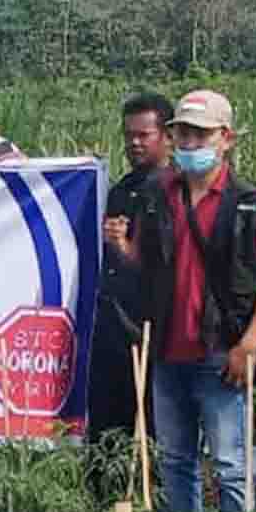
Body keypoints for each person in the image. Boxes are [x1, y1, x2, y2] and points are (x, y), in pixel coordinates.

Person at [104, 89, 256, 512]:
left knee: (228, 464)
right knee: (175, 460)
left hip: (221, 353)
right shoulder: (158, 195)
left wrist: (248, 345)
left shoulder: (250, 203)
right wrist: (120, 246)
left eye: (200, 135)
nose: (190, 144)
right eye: (183, 134)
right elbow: (144, 263)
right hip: (168, 352)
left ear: (226, 139)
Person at [88, 92, 174, 438]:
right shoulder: (121, 190)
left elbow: (167, 265)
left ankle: (148, 489)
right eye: (129, 136)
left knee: (153, 427)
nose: (134, 143)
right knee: (108, 424)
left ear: (166, 136)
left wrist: (125, 246)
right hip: (113, 328)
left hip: (153, 332)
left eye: (143, 135)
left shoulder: (175, 192)